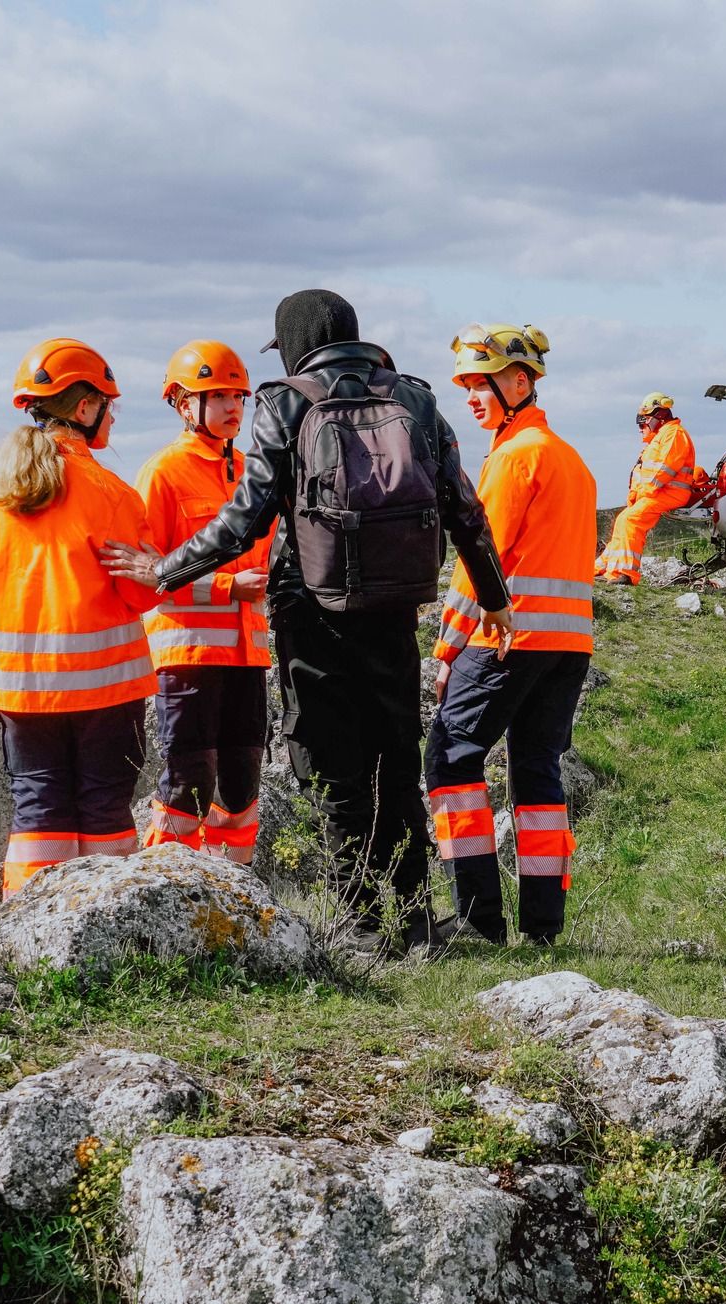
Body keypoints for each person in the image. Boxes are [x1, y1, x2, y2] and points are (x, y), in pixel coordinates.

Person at [102, 290, 511, 945]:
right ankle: (413, 919)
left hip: (309, 607)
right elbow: (464, 508)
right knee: (396, 760)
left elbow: (245, 519)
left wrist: (166, 569)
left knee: (330, 764)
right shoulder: (417, 399)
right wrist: (494, 597)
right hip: (395, 605)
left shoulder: (285, 400)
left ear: (295, 341)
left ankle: (356, 918)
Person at [0, 338, 161, 897]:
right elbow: (142, 594)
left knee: (37, 810)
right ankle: (109, 930)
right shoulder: (112, 494)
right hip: (107, 690)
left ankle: (31, 934)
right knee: (104, 807)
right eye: (107, 405)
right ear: (84, 408)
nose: (111, 418)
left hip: (24, 692)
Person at [427, 324, 596, 947]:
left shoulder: (513, 456)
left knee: (449, 760)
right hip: (568, 647)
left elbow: (481, 556)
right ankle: (544, 926)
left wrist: (446, 652)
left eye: (483, 383)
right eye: (467, 385)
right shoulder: (571, 460)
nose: (472, 397)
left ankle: (477, 923)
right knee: (537, 775)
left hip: (506, 639)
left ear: (519, 382)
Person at [134, 340, 272, 864]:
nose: (234, 406)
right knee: (190, 782)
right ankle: (168, 886)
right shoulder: (163, 474)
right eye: (218, 396)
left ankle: (232, 893)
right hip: (187, 659)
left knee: (240, 785)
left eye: (239, 396)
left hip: (246, 656)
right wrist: (224, 589)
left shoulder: (251, 474)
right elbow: (150, 576)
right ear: (184, 404)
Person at [596, 392, 704, 584]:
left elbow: (664, 469)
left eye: (643, 420)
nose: (641, 426)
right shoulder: (662, 436)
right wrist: (636, 496)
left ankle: (626, 575)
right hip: (659, 493)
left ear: (659, 415)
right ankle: (605, 569)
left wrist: (644, 494)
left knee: (631, 519)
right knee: (624, 519)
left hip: (669, 493)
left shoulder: (674, 434)